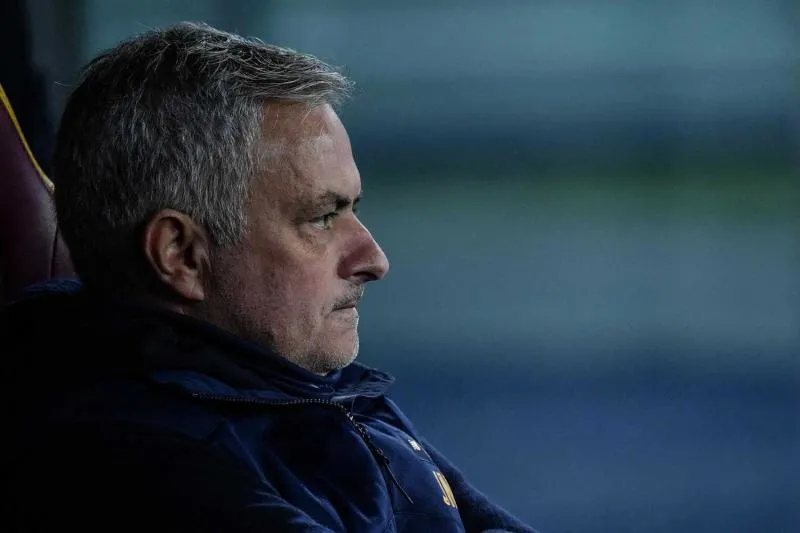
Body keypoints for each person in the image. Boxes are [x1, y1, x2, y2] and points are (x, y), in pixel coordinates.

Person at [1, 22, 537, 532]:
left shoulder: (308, 387)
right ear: (181, 255)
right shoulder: (136, 461)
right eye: (322, 217)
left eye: (353, 209)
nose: (375, 259)